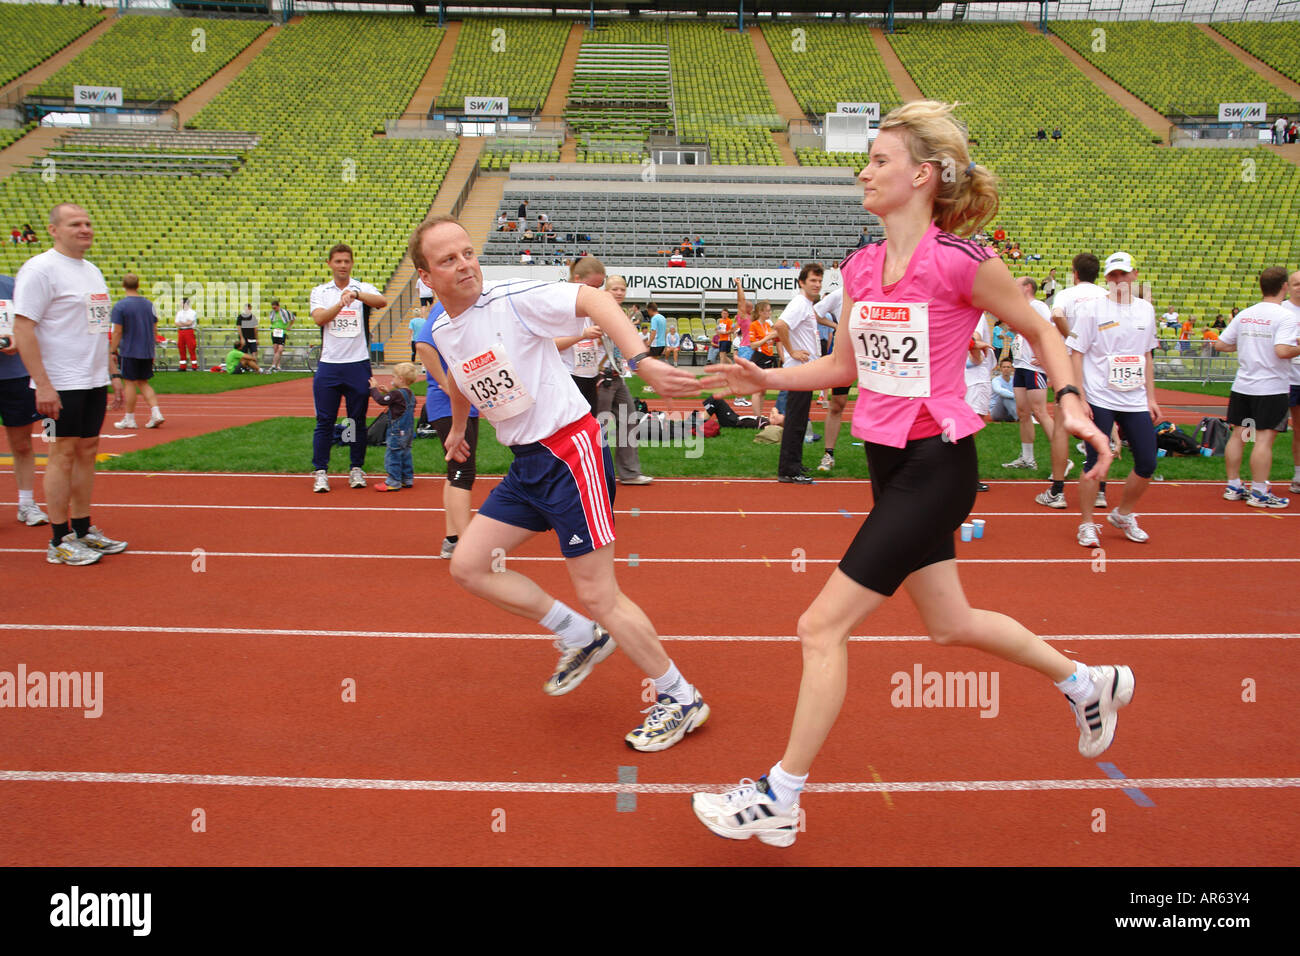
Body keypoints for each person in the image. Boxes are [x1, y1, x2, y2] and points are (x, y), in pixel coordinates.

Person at [690, 101, 1120, 846]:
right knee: (950, 625)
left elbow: (1040, 329)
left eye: (880, 160)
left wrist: (1072, 400)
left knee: (819, 626)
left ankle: (780, 795)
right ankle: (1089, 682)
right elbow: (842, 367)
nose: (864, 169)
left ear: (922, 176)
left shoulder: (963, 263)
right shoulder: (858, 266)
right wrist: (768, 382)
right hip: (886, 462)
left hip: (938, 461)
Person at [410, 215, 705, 750]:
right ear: (427, 278)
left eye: (468, 252)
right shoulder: (444, 327)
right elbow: (457, 379)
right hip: (526, 463)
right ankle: (577, 634)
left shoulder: (513, 298)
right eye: (448, 260)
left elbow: (594, 301)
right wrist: (457, 428)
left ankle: (680, 697)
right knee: (469, 566)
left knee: (599, 592)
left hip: (571, 452)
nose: (465, 265)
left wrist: (641, 359)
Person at [12, 202, 129, 566]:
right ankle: (58, 540)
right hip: (58, 384)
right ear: (53, 230)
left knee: (87, 450)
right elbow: (23, 328)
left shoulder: (91, 270)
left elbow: (96, 328)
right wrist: (43, 385)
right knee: (60, 454)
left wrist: (111, 373)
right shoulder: (40, 270)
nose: (84, 229)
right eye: (75, 223)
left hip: (91, 379)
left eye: (88, 223)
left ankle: (82, 528)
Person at [1068, 252, 1163, 546]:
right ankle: (1086, 523)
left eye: (1124, 274)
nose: (1119, 280)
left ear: (1134, 275)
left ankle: (1123, 513)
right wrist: (1080, 395)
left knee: (1147, 461)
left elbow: (1147, 354)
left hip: (1134, 398)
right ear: (1107, 278)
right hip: (1099, 395)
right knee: (1095, 460)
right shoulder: (1093, 309)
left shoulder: (1146, 310)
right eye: (1113, 275)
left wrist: (1152, 397)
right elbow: (1077, 352)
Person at [1214, 266, 1300, 508]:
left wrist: (1246, 346)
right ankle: (1259, 491)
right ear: (1284, 286)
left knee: (1239, 435)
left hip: (1243, 385)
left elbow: (1221, 344)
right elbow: (1282, 351)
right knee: (1263, 440)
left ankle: (1233, 485)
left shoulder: (1246, 313)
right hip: (1271, 388)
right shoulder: (1285, 316)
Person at [308, 243, 387, 493]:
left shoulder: (361, 287)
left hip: (357, 364)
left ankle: (356, 468)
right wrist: (341, 304)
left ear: (352, 263)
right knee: (325, 421)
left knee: (355, 421)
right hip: (330, 365)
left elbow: (381, 301)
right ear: (330, 264)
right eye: (338, 261)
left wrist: (357, 295)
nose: (342, 265)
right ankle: (321, 471)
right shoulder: (320, 292)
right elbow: (319, 318)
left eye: (346, 261)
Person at [1035, 252, 1108, 509]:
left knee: (1062, 428)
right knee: (1101, 425)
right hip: (1100, 367)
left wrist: (1073, 338)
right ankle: (1099, 489)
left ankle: (1057, 491)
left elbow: (1056, 315)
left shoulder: (1067, 294)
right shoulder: (1105, 295)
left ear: (1075, 273)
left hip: (1070, 366)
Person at [413, 300, 481, 558]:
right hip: (447, 404)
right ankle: (467, 545)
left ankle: (452, 539)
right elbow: (422, 344)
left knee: (456, 471)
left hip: (464, 404)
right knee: (463, 472)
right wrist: (446, 384)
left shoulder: (465, 309)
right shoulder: (445, 306)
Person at [0, 272, 49, 527]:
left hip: (15, 375)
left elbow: (32, 322)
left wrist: (18, 339)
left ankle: (26, 503)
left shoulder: (13, 284)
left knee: (21, 445)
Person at [598, 275, 653, 486]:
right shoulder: (598, 312)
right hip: (601, 377)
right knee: (598, 427)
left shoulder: (620, 314)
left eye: (622, 289)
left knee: (629, 419)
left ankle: (629, 472)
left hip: (617, 376)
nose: (619, 292)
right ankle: (596, 473)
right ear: (606, 290)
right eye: (615, 289)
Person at [773, 264, 824, 484]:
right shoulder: (800, 303)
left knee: (800, 420)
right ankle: (789, 469)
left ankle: (794, 463)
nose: (817, 284)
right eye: (813, 280)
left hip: (806, 371)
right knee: (795, 420)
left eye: (820, 281)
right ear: (802, 282)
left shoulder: (807, 306)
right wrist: (792, 350)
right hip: (798, 371)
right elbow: (780, 325)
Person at [1001, 276, 1056, 470]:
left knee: (1040, 412)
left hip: (1034, 367)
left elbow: (1051, 331)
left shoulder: (1039, 306)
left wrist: (1045, 358)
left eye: (1017, 283)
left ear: (1027, 287)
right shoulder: (1020, 308)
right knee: (1023, 412)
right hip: (1021, 365)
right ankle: (1027, 458)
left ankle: (1062, 458)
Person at [109, 273, 164, 429]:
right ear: (138, 285)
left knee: (130, 383)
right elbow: (154, 329)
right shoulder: (149, 305)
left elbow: (117, 331)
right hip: (146, 349)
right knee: (144, 382)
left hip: (130, 350)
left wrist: (113, 350)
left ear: (123, 286)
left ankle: (129, 418)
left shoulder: (121, 306)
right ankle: (156, 412)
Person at [554, 256, 606, 415]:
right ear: (577, 280)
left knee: (591, 425)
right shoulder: (559, 306)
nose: (596, 292)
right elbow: (552, 344)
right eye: (592, 286)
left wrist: (600, 339)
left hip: (590, 376)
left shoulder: (592, 308)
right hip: (568, 377)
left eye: (599, 287)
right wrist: (583, 335)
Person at [813, 285, 849, 473]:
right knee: (837, 403)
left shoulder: (875, 290)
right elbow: (815, 312)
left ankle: (882, 453)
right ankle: (828, 454)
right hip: (845, 352)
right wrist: (835, 326)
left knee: (880, 402)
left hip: (872, 354)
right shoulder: (838, 295)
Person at [368, 363, 418, 492]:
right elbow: (398, 402)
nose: (392, 378)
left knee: (393, 454)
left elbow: (381, 400)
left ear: (400, 379)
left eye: (394, 376)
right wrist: (388, 392)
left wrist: (374, 389)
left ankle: (393, 481)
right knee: (406, 453)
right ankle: (407, 478)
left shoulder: (396, 394)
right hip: (408, 431)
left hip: (396, 430)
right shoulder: (410, 393)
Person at [1283, 271, 1300, 493]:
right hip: (1285, 377)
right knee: (1263, 429)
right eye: (1297, 284)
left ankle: (1298, 476)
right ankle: (1258, 479)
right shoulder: (1281, 310)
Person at [268, 298, 294, 372]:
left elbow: (293, 318)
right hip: (274, 331)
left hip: (282, 332)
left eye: (275, 307)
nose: (274, 309)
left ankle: (273, 365)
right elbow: (272, 321)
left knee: (280, 349)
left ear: (278, 306)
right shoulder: (272, 313)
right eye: (273, 308)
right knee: (275, 349)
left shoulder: (284, 312)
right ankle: (277, 365)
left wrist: (289, 326)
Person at [175, 295, 198, 371]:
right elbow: (177, 323)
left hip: (189, 331)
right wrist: (185, 323)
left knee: (191, 348)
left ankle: (194, 366)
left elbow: (190, 323)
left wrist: (182, 323)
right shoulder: (179, 312)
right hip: (181, 331)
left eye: (181, 303)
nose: (180, 304)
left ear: (185, 303)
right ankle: (183, 366)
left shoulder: (192, 312)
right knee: (181, 348)